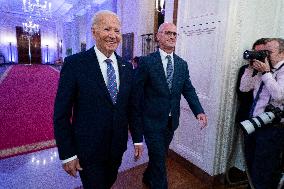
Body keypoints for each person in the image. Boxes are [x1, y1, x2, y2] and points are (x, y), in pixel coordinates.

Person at [53, 10, 143, 189]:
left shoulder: (126, 67)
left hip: (117, 147)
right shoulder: (75, 64)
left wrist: (137, 138)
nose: (113, 35)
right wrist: (68, 154)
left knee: (108, 182)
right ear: (94, 32)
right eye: (107, 29)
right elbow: (61, 114)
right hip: (88, 150)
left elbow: (132, 107)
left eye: (117, 31)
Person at [134, 22, 208, 189]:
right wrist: (136, 125)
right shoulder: (146, 62)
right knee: (160, 160)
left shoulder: (182, 64)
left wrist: (199, 111)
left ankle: (147, 176)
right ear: (158, 37)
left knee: (159, 156)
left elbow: (188, 89)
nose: (172, 36)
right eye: (168, 33)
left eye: (175, 34)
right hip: (151, 122)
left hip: (170, 122)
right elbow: (136, 95)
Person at [240, 38, 284, 189]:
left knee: (264, 169)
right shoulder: (265, 70)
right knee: (251, 164)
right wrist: (251, 68)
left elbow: (279, 95)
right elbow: (244, 88)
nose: (266, 56)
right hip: (254, 124)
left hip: (272, 129)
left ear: (282, 53)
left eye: (269, 52)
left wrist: (266, 73)